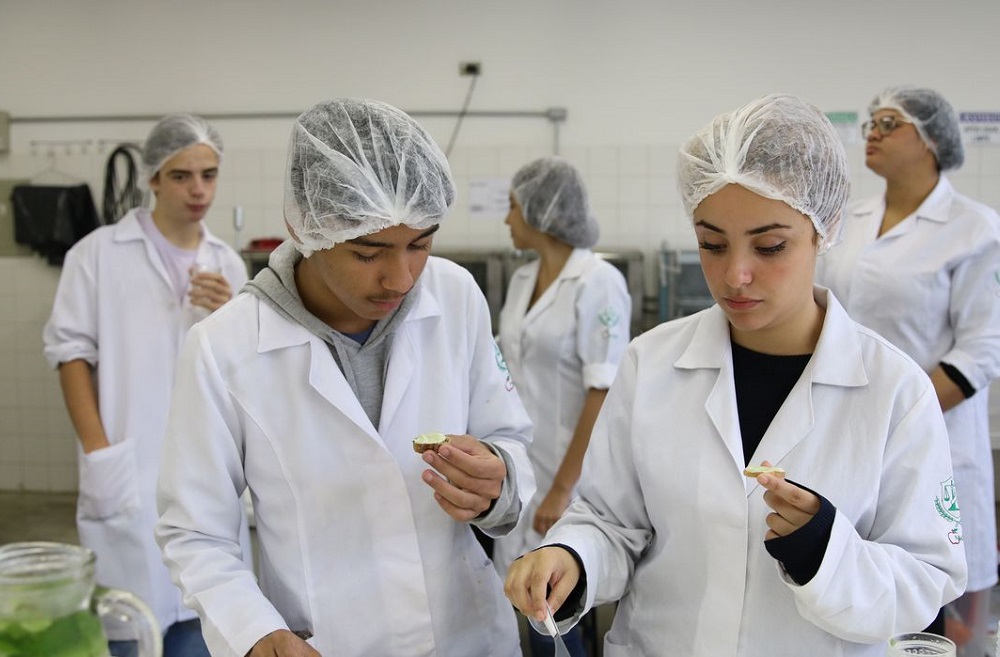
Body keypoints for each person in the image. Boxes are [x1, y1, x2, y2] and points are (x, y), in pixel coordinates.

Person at [503, 94, 968, 657]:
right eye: (712, 244)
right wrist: (572, 557)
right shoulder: (651, 364)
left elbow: (926, 580)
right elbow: (610, 522)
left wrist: (824, 551)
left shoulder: (896, 391)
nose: (735, 275)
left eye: (770, 246)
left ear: (824, 228)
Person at [154, 98, 536, 657]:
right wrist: (255, 631)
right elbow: (195, 531)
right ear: (303, 226)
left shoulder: (455, 296)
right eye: (367, 252)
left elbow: (510, 438)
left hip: (467, 636)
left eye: (421, 244)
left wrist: (497, 480)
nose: (400, 278)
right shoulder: (224, 347)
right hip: (330, 642)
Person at [43, 113, 248, 657]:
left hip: (205, 469)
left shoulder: (227, 264)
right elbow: (70, 353)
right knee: (132, 626)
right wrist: (98, 451)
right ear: (153, 178)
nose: (198, 190)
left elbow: (247, 369)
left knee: (206, 622)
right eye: (182, 176)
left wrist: (231, 314)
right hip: (127, 465)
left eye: (209, 174)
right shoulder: (97, 254)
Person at [815, 86, 1000, 656]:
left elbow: (982, 348)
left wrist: (897, 414)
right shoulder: (849, 221)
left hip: (934, 436)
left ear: (932, 141)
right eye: (871, 122)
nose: (872, 131)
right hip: (841, 431)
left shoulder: (975, 228)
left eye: (890, 123)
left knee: (937, 614)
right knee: (853, 596)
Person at [492, 156, 631, 656]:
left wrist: (561, 489)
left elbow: (602, 392)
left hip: (570, 480)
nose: (507, 218)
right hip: (521, 472)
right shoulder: (522, 280)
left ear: (541, 211)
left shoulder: (598, 282)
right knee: (522, 601)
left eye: (513, 206)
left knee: (557, 615)